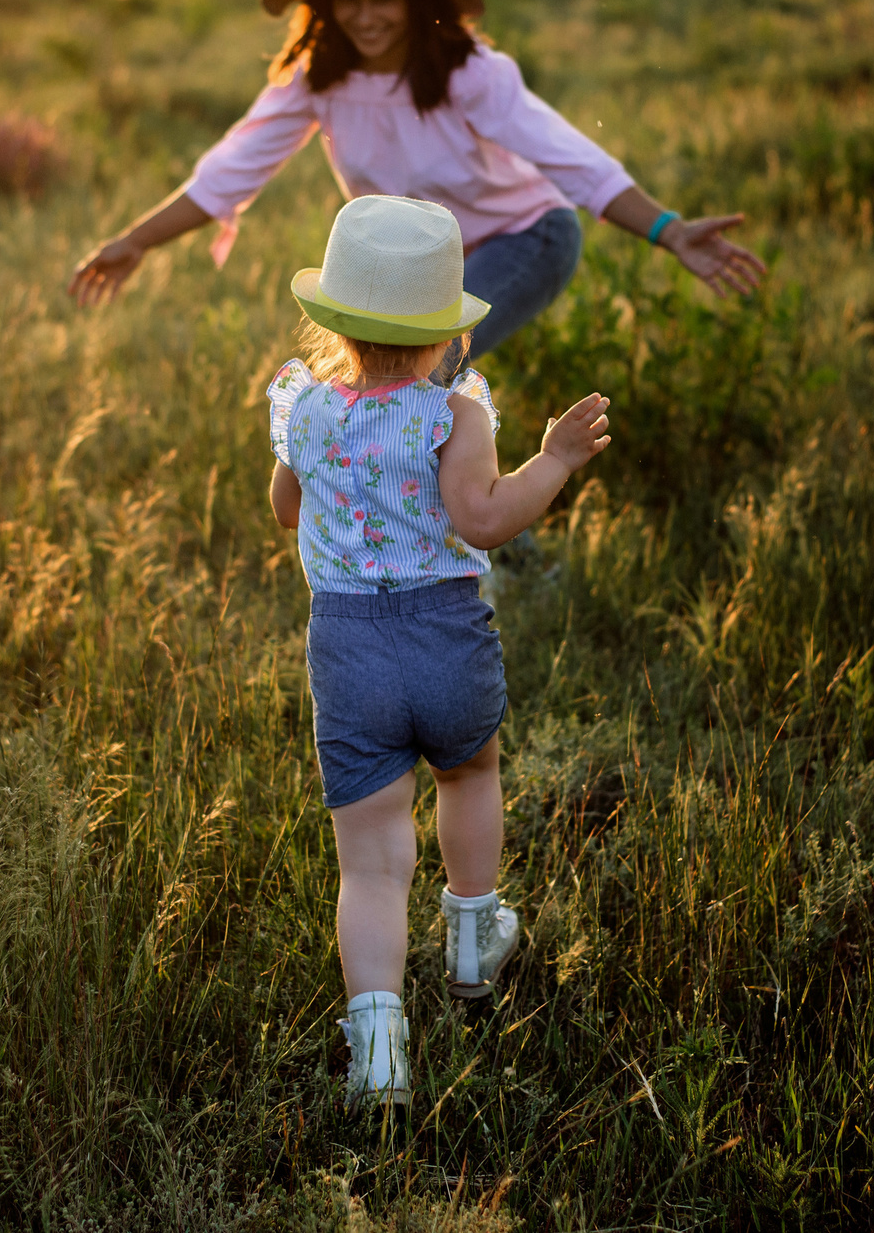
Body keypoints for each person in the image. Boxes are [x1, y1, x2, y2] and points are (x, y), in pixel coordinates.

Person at [68, 0, 766, 374]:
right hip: (422, 259)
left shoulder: (470, 73)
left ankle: (486, 550)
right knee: (379, 385)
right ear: (327, 2)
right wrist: (136, 240)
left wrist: (669, 230)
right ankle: (475, 537)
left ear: (415, 0)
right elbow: (230, 170)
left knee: (424, 379)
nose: (365, 15)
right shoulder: (316, 79)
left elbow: (571, 158)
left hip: (526, 237)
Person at [264, 195, 614, 1109]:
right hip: (447, 635)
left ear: (334, 317)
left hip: (348, 648)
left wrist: (342, 507)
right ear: (442, 333)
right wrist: (556, 461)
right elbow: (484, 518)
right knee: (467, 774)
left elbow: (286, 507)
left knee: (372, 860)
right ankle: (470, 943)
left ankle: (378, 1053)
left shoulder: (302, 409)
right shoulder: (457, 413)